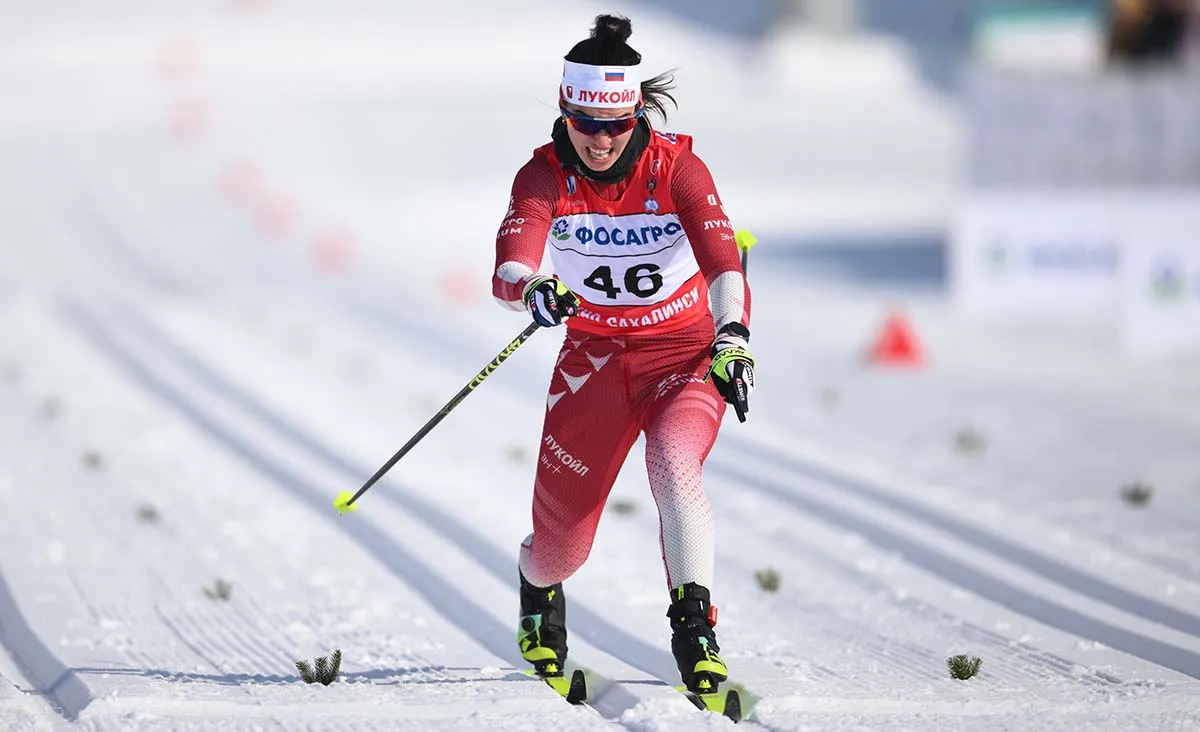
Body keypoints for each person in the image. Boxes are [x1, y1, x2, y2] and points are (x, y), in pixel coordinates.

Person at [491, 14, 754, 696]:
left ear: (636, 113)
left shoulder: (679, 169)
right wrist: (534, 289)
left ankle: (694, 628)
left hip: (683, 354)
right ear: (565, 110)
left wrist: (732, 338)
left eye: (615, 124)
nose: (601, 140)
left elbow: (725, 264)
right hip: (595, 363)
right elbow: (510, 266)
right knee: (561, 549)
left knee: (673, 460)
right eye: (586, 123)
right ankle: (537, 586)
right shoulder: (543, 176)